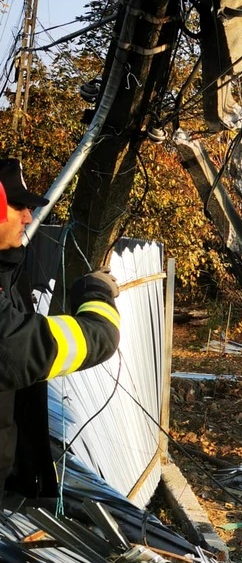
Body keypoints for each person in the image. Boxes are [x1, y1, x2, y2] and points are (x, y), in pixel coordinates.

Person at [0, 158, 121, 498]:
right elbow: (25, 349)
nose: (28, 217)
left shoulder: (6, 276)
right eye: (19, 206)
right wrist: (98, 300)